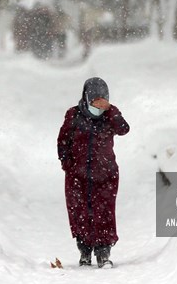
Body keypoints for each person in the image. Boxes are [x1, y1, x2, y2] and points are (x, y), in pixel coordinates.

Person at [56, 77, 130, 267]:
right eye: (94, 100)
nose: (98, 104)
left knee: (103, 213)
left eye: (102, 100)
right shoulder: (73, 115)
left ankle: (103, 254)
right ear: (86, 98)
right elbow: (63, 142)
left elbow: (123, 129)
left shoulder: (110, 115)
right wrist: (69, 166)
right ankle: (85, 252)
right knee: (80, 213)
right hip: (77, 177)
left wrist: (111, 110)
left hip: (105, 176)